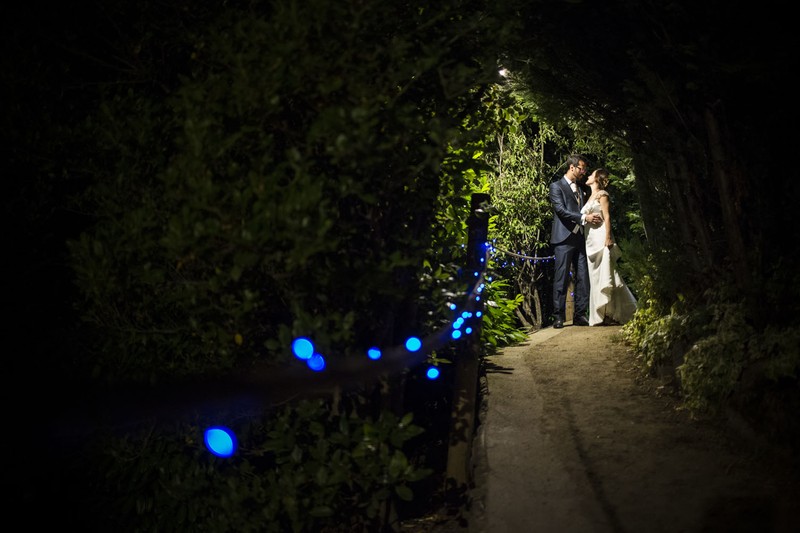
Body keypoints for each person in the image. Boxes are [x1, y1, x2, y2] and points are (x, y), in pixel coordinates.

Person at [549, 154, 602, 328]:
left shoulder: (580, 189)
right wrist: (584, 218)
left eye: (585, 169)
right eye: (581, 168)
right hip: (563, 239)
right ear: (572, 167)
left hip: (580, 238)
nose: (583, 172)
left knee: (583, 277)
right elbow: (561, 210)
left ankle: (580, 315)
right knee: (561, 278)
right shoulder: (556, 186)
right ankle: (558, 316)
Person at [581, 168, 637, 325]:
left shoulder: (602, 195)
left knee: (606, 274)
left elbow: (607, 217)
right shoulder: (589, 196)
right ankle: (602, 314)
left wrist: (607, 237)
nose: (588, 175)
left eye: (591, 174)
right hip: (590, 240)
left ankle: (611, 313)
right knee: (595, 277)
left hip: (600, 238)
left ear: (596, 179)